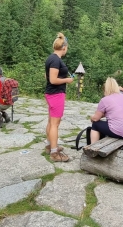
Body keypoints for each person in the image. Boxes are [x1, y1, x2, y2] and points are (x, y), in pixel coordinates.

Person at [44, 32, 74, 162]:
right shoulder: (56, 60)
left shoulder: (50, 58)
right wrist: (67, 80)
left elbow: (47, 77)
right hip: (56, 94)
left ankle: (50, 145)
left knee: (51, 122)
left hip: (51, 93)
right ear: (64, 47)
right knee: (55, 124)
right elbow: (53, 79)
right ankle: (54, 153)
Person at [90, 77, 123, 143]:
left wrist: (91, 117)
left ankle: (92, 147)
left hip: (120, 131)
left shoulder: (105, 100)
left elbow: (95, 118)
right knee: (108, 122)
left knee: (95, 125)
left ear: (105, 89)